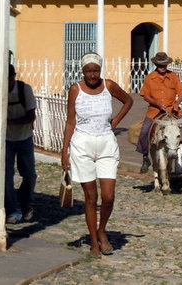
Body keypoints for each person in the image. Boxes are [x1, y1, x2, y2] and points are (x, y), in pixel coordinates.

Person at [61, 53, 133, 258]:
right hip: (82, 145)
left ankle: (102, 230)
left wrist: (116, 121)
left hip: (106, 145)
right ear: (82, 71)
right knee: (91, 197)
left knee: (108, 196)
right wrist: (64, 151)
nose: (92, 75)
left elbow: (128, 101)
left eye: (96, 70)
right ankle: (94, 241)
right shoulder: (75, 90)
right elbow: (70, 121)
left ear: (100, 70)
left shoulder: (109, 86)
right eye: (88, 71)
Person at [136, 52, 182, 173]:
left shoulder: (173, 76)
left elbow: (181, 93)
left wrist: (177, 103)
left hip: (173, 110)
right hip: (155, 110)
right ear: (156, 65)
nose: (162, 67)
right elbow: (145, 95)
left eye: (164, 65)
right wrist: (157, 103)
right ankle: (145, 157)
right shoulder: (150, 78)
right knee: (144, 131)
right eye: (159, 65)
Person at [5, 64, 37, 224]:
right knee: (6, 176)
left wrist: (11, 122)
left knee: (29, 174)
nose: (8, 82)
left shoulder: (25, 90)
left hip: (24, 138)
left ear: (13, 77)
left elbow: (31, 116)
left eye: (9, 79)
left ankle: (26, 204)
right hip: (6, 140)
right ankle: (11, 209)